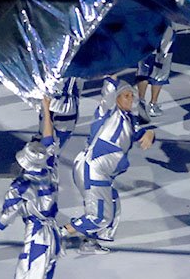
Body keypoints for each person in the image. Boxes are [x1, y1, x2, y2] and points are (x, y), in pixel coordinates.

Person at [66, 78, 155, 254]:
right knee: (99, 217)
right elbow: (108, 92)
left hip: (102, 172)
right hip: (93, 169)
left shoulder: (129, 119)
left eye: (131, 96)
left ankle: (90, 242)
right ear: (116, 98)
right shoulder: (107, 112)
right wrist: (112, 71)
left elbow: (139, 134)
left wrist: (150, 134)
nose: (130, 99)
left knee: (112, 206)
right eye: (125, 96)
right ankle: (57, 233)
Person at [0, 96, 62, 279]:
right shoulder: (50, 169)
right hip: (53, 237)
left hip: (37, 238)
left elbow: (8, 213)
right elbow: (49, 140)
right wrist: (47, 109)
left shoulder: (21, 186)